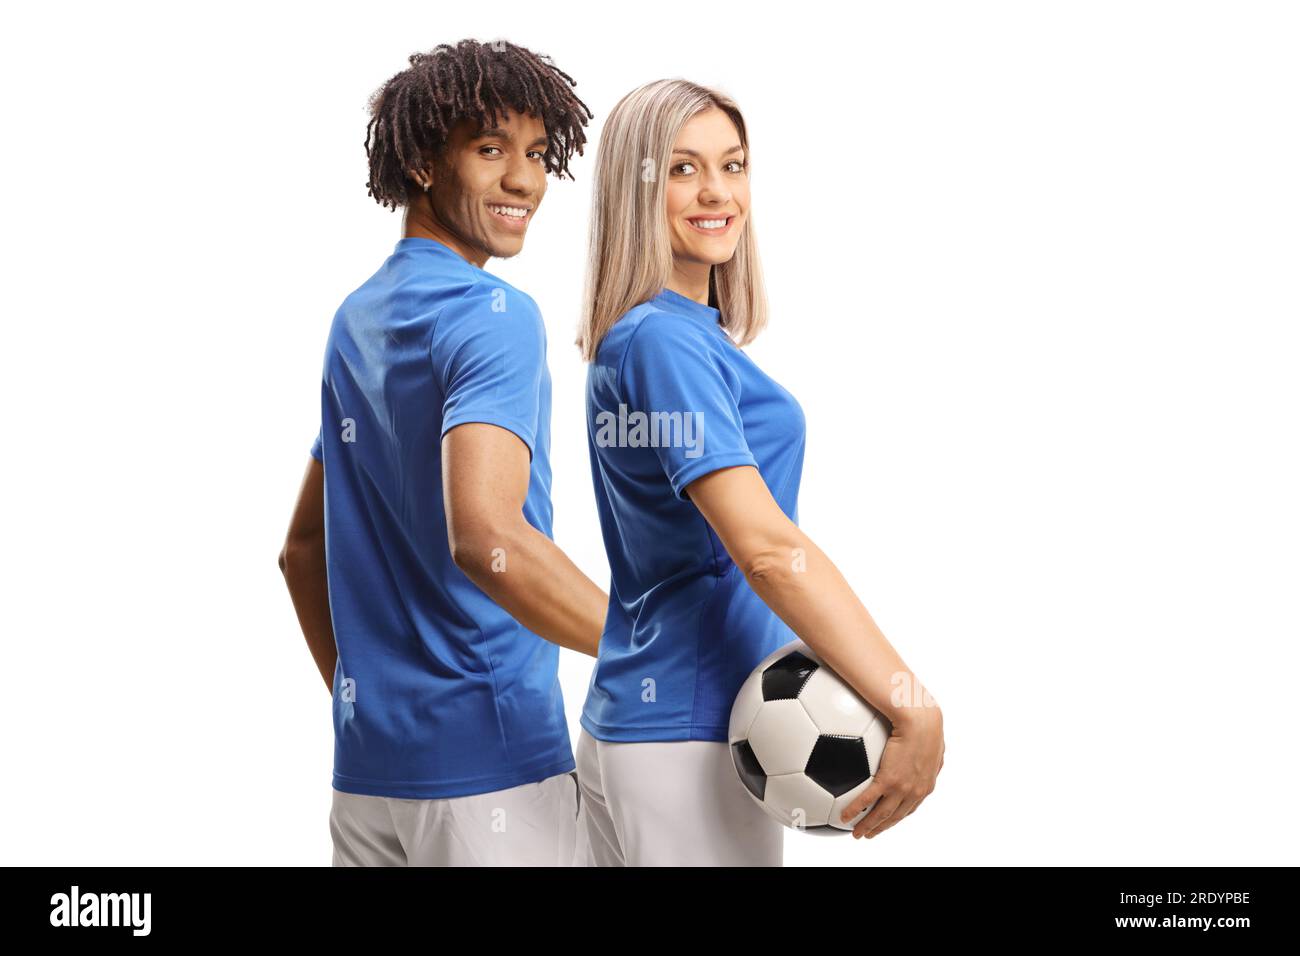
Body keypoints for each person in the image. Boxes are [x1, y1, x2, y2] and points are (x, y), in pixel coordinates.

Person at [572, 79, 946, 866]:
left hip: (642, 723)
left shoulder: (660, 338)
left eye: (733, 165)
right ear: (633, 189)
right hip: (691, 734)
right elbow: (765, 547)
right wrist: (907, 702)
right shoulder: (663, 343)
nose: (716, 192)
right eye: (680, 170)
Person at [278, 39, 606, 866]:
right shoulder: (493, 314)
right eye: (490, 150)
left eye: (536, 154)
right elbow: (488, 541)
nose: (524, 181)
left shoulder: (355, 319)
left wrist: (372, 710)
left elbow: (299, 551)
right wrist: (648, 645)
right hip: (491, 780)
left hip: (368, 783)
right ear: (424, 161)